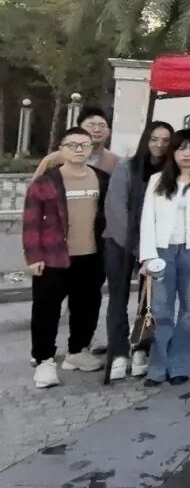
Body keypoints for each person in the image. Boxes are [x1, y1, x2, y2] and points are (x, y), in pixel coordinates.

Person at [23, 127, 110, 388]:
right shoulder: (46, 181)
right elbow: (31, 221)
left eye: (84, 145)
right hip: (53, 257)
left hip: (91, 256)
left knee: (87, 306)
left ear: (91, 149)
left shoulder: (102, 179)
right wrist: (33, 256)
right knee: (46, 310)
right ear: (61, 149)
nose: (78, 150)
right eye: (72, 145)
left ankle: (77, 351)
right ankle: (44, 360)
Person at [139, 129, 190, 386]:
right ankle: (158, 367)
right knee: (161, 309)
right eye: (181, 148)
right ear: (172, 153)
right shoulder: (157, 180)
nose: (186, 154)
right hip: (163, 251)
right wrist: (147, 256)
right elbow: (147, 219)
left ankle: (182, 365)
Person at [104, 120, 173, 382]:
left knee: (149, 300)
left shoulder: (170, 172)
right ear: (146, 140)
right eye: (154, 139)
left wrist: (148, 250)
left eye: (165, 140)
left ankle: (141, 346)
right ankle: (118, 351)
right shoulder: (127, 168)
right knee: (118, 299)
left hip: (153, 245)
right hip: (120, 242)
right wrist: (136, 248)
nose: (159, 145)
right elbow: (116, 211)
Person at [34, 106, 120, 177]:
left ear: (109, 132)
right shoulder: (54, 160)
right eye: (91, 125)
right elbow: (35, 189)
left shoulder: (115, 162)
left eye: (102, 126)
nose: (97, 130)